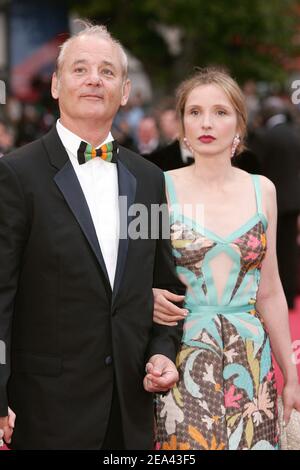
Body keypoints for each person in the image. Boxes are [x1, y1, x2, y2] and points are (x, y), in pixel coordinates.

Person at [0, 23, 185, 450]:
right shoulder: (15, 175)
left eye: (106, 71)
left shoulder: (149, 179)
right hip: (45, 410)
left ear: (123, 91)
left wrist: (161, 351)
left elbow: (165, 286)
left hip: (129, 411)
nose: (93, 79)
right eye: (80, 69)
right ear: (55, 85)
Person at [152, 68, 300, 450]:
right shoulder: (159, 186)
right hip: (184, 360)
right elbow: (139, 276)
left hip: (252, 360)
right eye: (195, 112)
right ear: (182, 125)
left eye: (220, 112)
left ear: (239, 122)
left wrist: (291, 374)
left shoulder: (261, 190)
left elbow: (269, 291)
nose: (206, 123)